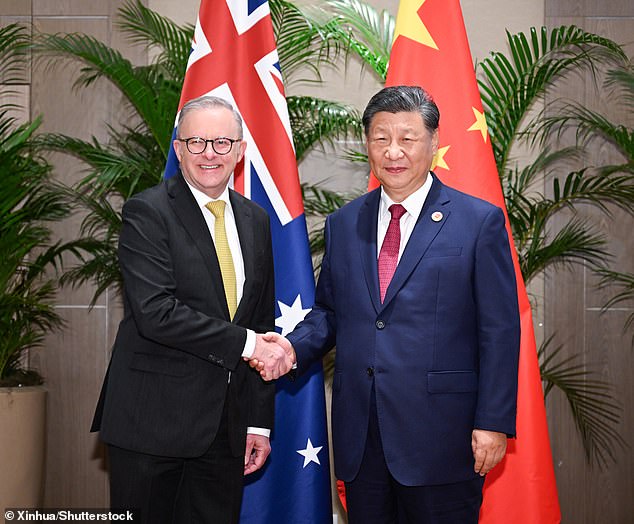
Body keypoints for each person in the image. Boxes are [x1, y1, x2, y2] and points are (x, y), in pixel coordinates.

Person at [259, 86, 520, 523]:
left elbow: (499, 330)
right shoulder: (345, 222)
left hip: (444, 438)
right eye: (381, 139)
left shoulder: (479, 222)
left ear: (433, 143)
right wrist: (290, 348)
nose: (393, 151)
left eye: (407, 138)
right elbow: (330, 312)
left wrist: (492, 422)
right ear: (368, 145)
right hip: (363, 438)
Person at [91, 95, 294, 524]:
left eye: (222, 143)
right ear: (178, 149)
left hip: (225, 431)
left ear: (240, 152)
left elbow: (259, 323)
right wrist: (250, 344)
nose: (209, 154)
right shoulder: (148, 211)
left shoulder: (255, 219)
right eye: (197, 142)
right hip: (151, 425)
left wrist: (258, 422)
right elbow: (156, 312)